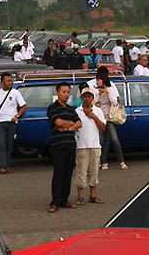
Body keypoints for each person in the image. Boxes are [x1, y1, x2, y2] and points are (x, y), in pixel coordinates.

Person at [47, 82, 82, 213]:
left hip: (70, 144)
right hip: (57, 145)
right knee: (58, 173)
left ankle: (64, 199)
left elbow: (79, 123)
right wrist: (69, 124)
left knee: (68, 173)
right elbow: (58, 122)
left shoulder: (71, 109)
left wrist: (67, 127)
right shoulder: (52, 108)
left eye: (68, 92)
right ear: (58, 92)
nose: (66, 94)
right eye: (64, 92)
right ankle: (55, 201)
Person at [0, 73, 27, 174]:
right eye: (8, 81)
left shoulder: (15, 93)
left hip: (11, 122)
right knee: (1, 144)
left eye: (11, 81)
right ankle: (2, 166)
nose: (10, 83)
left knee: (9, 145)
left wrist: (17, 116)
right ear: (2, 82)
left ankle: (7, 165)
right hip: (0, 123)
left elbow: (23, 106)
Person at [75, 87, 106, 205]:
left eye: (89, 96)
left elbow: (103, 127)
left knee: (94, 172)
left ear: (92, 98)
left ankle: (93, 195)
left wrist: (93, 116)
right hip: (81, 145)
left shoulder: (97, 111)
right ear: (82, 98)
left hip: (95, 145)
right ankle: (81, 197)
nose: (87, 98)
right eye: (85, 96)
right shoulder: (77, 111)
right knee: (81, 172)